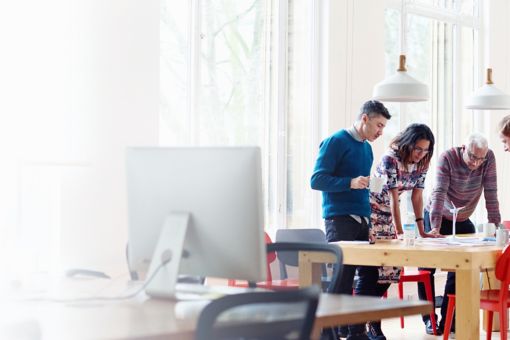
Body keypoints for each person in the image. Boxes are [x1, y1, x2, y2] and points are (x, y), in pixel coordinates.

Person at [311, 100, 391, 340]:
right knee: (343, 276)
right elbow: (317, 180)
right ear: (364, 118)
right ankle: (328, 332)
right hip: (339, 219)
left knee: (368, 275)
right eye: (378, 125)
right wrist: (349, 182)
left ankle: (356, 330)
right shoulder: (335, 142)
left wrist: (371, 222)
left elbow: (365, 188)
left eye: (384, 127)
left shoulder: (367, 149)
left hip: (363, 220)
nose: (380, 132)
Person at [418, 132, 501, 336]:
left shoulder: (488, 158)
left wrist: (496, 227)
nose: (475, 163)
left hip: (462, 219)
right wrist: (435, 227)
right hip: (438, 214)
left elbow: (491, 193)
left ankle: (449, 319)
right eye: (472, 156)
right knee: (426, 269)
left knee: (460, 269)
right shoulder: (447, 158)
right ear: (464, 148)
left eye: (480, 159)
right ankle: (430, 321)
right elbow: (438, 192)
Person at [368, 123, 438, 338]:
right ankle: (372, 325)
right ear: (408, 144)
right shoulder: (391, 158)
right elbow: (392, 197)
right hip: (372, 212)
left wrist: (422, 230)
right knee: (377, 272)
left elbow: (416, 196)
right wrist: (398, 231)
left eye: (426, 150)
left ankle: (368, 319)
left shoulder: (422, 162)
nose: (421, 154)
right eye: (418, 149)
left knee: (392, 271)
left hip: (390, 215)